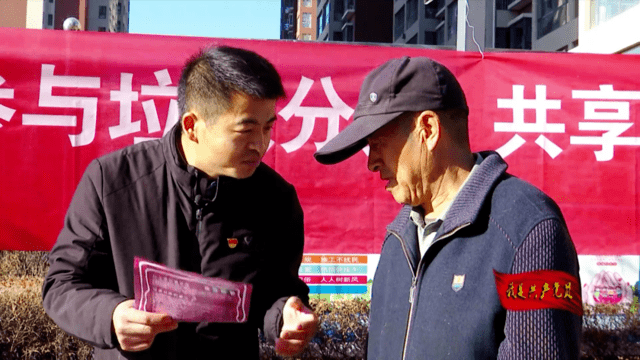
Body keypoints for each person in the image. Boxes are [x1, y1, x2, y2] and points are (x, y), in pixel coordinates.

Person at [43, 46, 318, 360]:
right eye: (246, 129)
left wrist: (287, 315)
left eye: (268, 127)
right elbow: (62, 284)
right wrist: (112, 315)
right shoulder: (112, 180)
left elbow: (277, 289)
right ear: (192, 126)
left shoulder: (275, 198)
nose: (260, 145)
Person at [314, 56, 582, 359]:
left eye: (378, 142)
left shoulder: (530, 229)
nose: (371, 162)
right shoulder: (400, 238)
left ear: (427, 129)